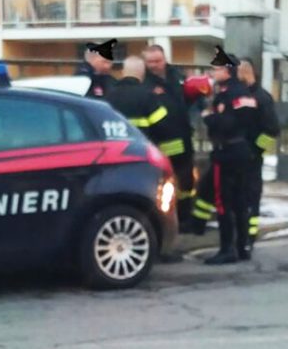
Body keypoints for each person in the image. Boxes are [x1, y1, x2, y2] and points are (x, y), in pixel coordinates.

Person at [202, 46, 258, 265]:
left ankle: (227, 249)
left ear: (227, 71)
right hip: (242, 152)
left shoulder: (226, 96)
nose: (213, 73)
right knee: (241, 201)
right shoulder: (245, 93)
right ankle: (242, 246)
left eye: (216, 69)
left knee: (223, 203)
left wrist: (208, 116)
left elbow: (226, 123)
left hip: (226, 154)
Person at [142, 44, 195, 226]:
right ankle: (167, 220)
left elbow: (185, 99)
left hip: (184, 137)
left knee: (187, 182)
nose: (154, 65)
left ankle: (185, 216)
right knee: (165, 184)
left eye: (158, 61)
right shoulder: (145, 83)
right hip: (163, 141)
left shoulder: (176, 76)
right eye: (150, 62)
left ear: (165, 59)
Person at [237, 59, 280, 248]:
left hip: (252, 159)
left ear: (245, 72)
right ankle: (240, 235)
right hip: (237, 156)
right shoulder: (239, 95)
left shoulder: (262, 98)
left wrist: (255, 151)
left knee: (251, 196)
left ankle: (250, 237)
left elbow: (272, 130)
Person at [106, 55, 168, 148]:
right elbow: (162, 126)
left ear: (123, 72)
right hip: (142, 149)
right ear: (142, 73)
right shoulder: (148, 95)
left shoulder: (108, 95)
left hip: (115, 149)